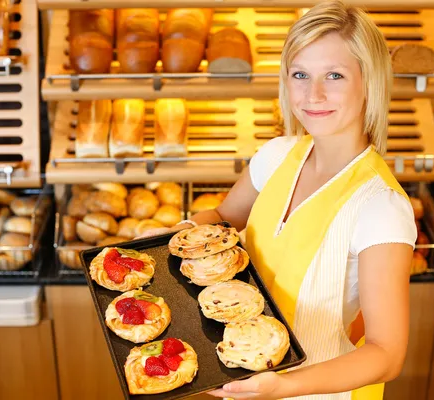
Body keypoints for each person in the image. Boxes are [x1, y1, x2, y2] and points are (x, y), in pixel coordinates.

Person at [140, 1, 416, 398]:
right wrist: (182, 233)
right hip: (241, 366)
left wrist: (282, 385)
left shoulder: (381, 206)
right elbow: (221, 217)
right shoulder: (278, 154)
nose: (313, 94)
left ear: (369, 81)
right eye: (300, 74)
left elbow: (386, 353)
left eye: (334, 75)